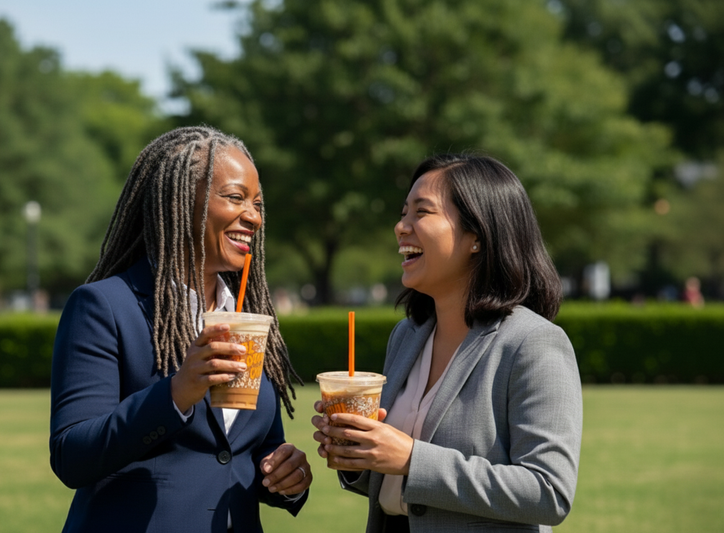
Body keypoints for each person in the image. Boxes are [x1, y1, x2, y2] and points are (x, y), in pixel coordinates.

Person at [50, 126, 311, 533]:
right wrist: (175, 394)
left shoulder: (251, 318)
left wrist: (285, 476)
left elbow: (247, 453)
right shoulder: (104, 306)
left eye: (258, 204)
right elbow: (72, 455)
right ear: (179, 202)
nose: (254, 216)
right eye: (236, 198)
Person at [312, 153, 582, 532]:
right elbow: (398, 489)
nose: (400, 227)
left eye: (421, 212)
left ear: (477, 236)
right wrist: (358, 453)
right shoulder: (407, 336)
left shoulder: (533, 343)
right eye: (403, 212)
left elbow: (548, 491)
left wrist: (411, 459)